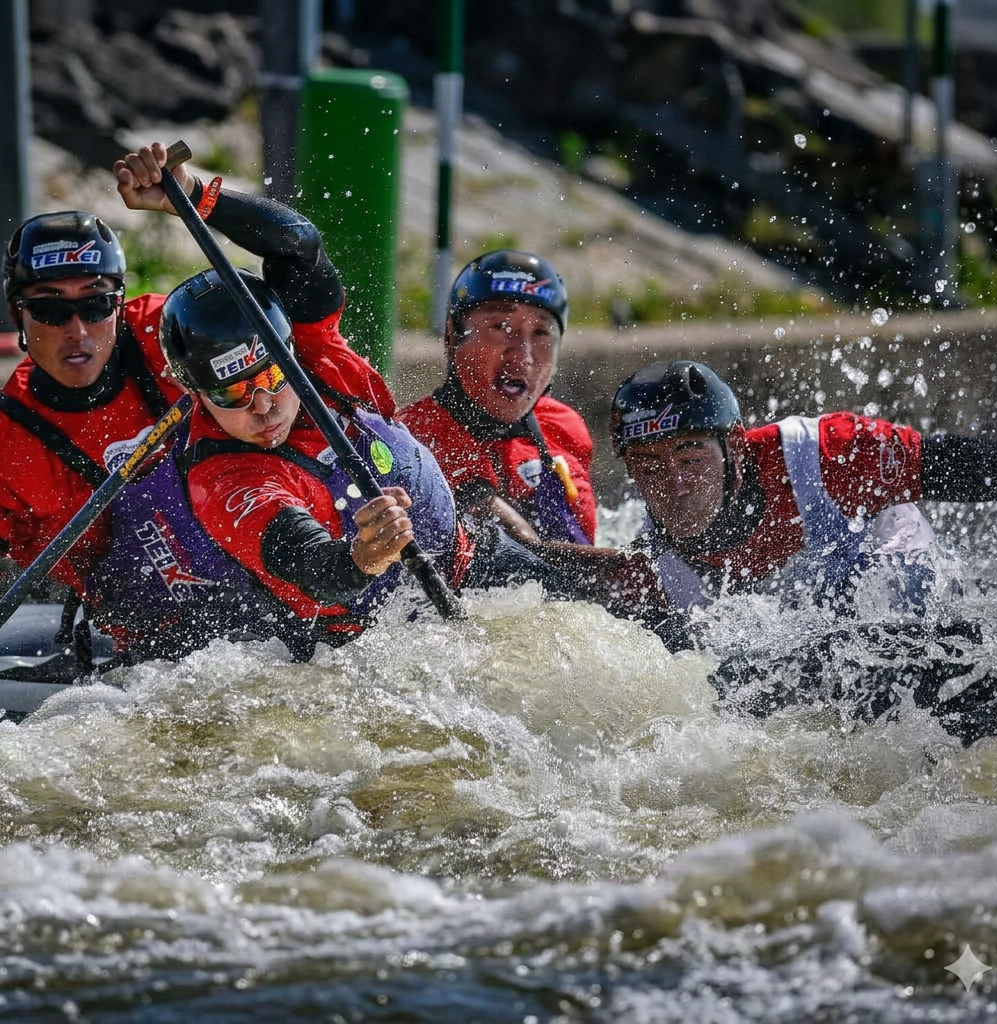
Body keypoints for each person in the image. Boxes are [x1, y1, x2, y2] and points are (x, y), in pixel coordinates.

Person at [0, 141, 391, 663]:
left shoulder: (180, 333)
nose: (78, 331)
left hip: (307, 576)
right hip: (166, 645)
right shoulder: (8, 440)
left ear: (118, 303)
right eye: (50, 310)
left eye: (95, 304)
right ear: (16, 315)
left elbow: (298, 250)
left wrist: (191, 194)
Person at [161, 269, 566, 660]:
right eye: (234, 394)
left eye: (272, 376)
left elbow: (298, 246)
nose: (264, 407)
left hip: (472, 560)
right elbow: (317, 569)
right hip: (369, 644)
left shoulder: (317, 357)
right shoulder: (225, 481)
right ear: (192, 391)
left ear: (290, 351)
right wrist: (364, 557)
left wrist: (203, 197)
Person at [610, 358, 997, 645]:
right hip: (806, 620)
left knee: (862, 605)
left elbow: (966, 466)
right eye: (649, 464)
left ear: (734, 445)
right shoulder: (659, 564)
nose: (676, 485)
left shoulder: (827, 452)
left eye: (690, 457)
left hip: (893, 567)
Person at [399, 249, 662, 612]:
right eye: (500, 328)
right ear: (450, 335)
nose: (523, 353)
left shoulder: (564, 427)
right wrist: (616, 567)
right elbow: (513, 550)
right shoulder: (413, 437)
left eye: (540, 332)